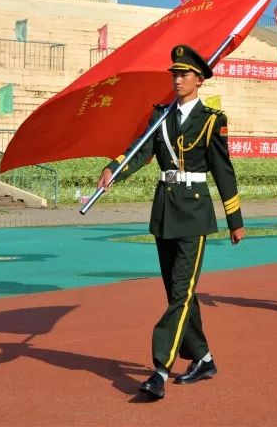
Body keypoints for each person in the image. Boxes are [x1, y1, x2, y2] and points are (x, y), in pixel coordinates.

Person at [96, 44, 245, 400]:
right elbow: (141, 150)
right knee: (179, 292)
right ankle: (204, 358)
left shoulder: (212, 121)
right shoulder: (160, 116)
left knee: (181, 292)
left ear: (199, 80)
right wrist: (113, 170)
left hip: (194, 213)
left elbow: (223, 171)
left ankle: (160, 369)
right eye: (174, 74)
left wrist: (234, 218)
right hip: (165, 210)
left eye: (184, 75)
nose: (177, 80)